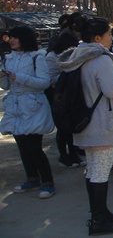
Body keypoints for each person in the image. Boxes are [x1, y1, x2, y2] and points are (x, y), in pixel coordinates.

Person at [58, 17, 113, 235]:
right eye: (109, 34)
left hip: (84, 121)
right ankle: (99, 220)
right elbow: (111, 90)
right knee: (100, 172)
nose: (111, 37)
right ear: (97, 37)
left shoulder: (77, 57)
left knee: (93, 170)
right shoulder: (101, 59)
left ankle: (100, 212)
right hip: (102, 122)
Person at [1, 26, 56, 200]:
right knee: (22, 146)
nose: (12, 40)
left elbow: (44, 83)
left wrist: (18, 77)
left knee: (34, 146)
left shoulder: (37, 57)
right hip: (15, 106)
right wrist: (3, 77)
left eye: (16, 37)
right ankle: (31, 178)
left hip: (34, 106)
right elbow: (6, 86)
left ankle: (48, 182)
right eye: (10, 37)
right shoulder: (7, 58)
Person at [45, 27, 86, 168]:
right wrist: (67, 74)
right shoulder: (51, 57)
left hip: (71, 95)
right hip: (58, 96)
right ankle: (64, 154)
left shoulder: (72, 56)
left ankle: (74, 154)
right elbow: (51, 80)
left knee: (70, 125)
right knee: (62, 127)